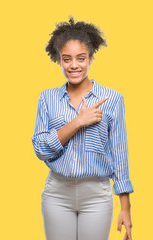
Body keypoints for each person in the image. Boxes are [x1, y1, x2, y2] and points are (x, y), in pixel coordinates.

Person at [32, 17, 133, 240]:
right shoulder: (47, 98)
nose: (74, 65)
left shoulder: (112, 99)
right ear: (58, 60)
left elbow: (119, 155)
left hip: (96, 194)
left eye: (81, 58)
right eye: (67, 59)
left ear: (91, 58)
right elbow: (40, 148)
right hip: (57, 192)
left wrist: (125, 208)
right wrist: (78, 121)